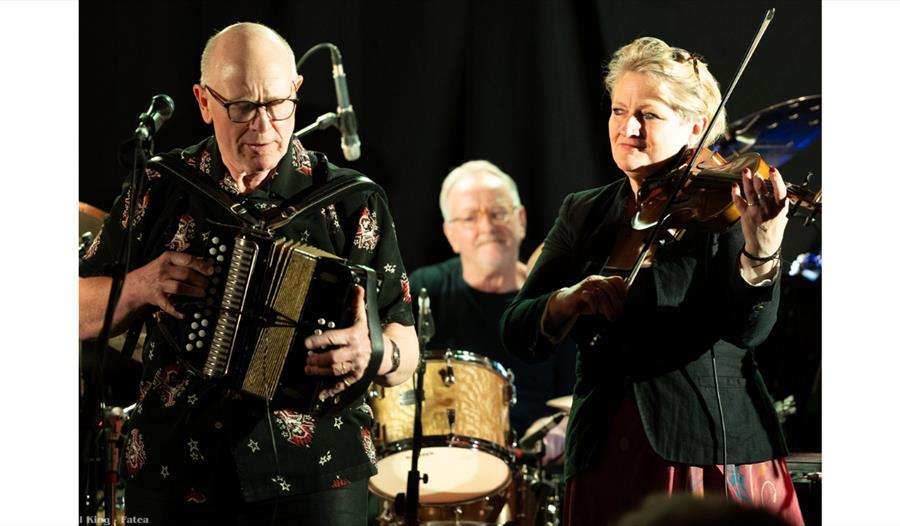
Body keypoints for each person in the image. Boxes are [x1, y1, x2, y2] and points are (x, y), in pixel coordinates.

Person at [79, 22, 418, 526]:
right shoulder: (158, 186)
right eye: (241, 107)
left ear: (297, 93)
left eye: (277, 104)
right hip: (175, 470)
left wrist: (375, 351)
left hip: (317, 476)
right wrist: (142, 284)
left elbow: (405, 341)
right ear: (204, 101)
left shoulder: (351, 200)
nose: (262, 126)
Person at [499, 37, 804, 525]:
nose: (628, 128)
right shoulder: (584, 211)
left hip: (706, 446)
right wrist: (565, 301)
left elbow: (750, 331)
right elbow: (517, 330)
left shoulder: (725, 205)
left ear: (696, 127)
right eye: (619, 110)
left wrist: (762, 248)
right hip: (603, 448)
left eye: (650, 114)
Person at [409, 160, 575, 462]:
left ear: (521, 220)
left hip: (532, 469)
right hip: (445, 463)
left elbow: (576, 398)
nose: (486, 227)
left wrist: (561, 429)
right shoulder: (423, 290)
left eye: (498, 213)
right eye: (469, 218)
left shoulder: (557, 301)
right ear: (450, 234)